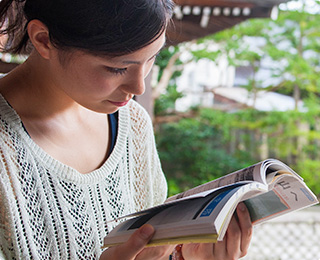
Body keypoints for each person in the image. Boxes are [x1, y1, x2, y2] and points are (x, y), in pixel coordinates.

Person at [0, 0, 253, 259]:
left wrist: (185, 257)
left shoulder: (132, 122)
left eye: (152, 58)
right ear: (43, 40)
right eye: (117, 68)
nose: (138, 87)